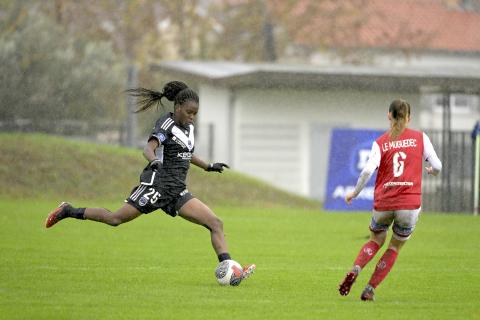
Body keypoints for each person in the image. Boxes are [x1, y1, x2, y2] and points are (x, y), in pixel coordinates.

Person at [45, 81, 255, 283]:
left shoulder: (189, 129)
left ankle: (231, 269)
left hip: (176, 190)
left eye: (195, 114)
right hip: (157, 184)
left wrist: (208, 166)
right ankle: (68, 210)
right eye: (189, 112)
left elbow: (186, 154)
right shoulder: (166, 124)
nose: (192, 117)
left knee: (215, 223)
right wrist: (154, 161)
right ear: (178, 106)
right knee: (115, 219)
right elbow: (148, 149)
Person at [338, 99, 442, 301]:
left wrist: (354, 193)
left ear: (389, 115)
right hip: (409, 204)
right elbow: (437, 165)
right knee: (394, 246)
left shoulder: (381, 142)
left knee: (376, 239)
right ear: (409, 118)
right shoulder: (421, 138)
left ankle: (356, 269)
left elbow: (368, 170)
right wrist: (432, 171)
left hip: (385, 202)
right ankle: (369, 289)